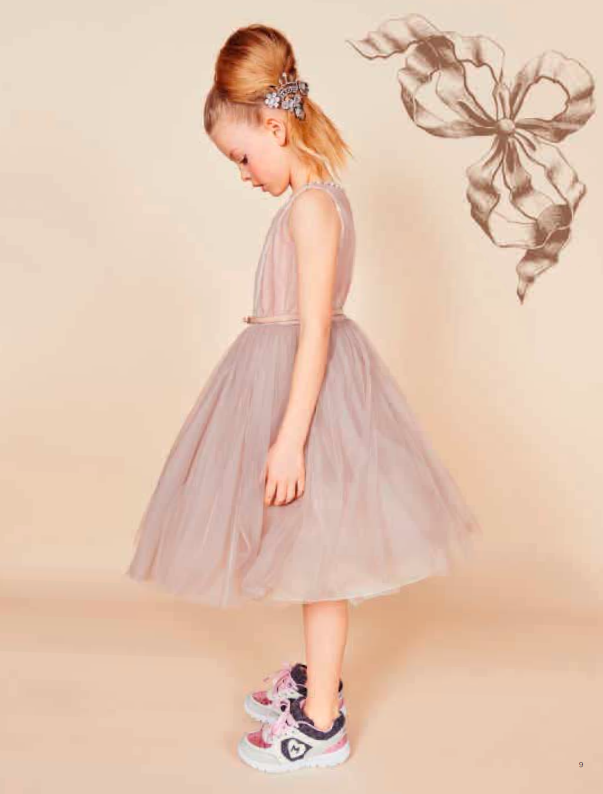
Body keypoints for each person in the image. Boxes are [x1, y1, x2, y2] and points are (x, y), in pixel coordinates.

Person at [125, 23, 482, 774]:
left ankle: (321, 722)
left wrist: (290, 438)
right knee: (304, 548)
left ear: (274, 126)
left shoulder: (312, 209)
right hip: (287, 381)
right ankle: (315, 680)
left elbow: (315, 331)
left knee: (322, 562)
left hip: (309, 396)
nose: (243, 174)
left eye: (241, 156)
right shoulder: (314, 202)